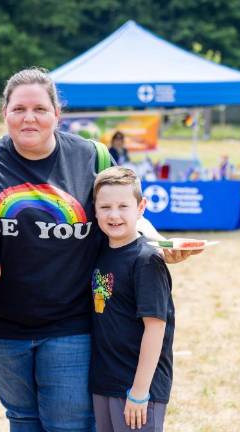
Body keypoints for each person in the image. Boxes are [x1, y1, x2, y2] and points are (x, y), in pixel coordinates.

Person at [0, 67, 195, 431]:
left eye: (40, 109)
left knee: (69, 423)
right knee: (22, 419)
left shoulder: (91, 158)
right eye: (19, 108)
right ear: (4, 112)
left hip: (71, 325)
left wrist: (158, 243)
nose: (29, 118)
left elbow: (124, 207)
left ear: (58, 113)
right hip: (0, 328)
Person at [90, 167, 174, 432]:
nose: (113, 215)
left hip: (138, 388)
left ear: (141, 208)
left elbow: (155, 327)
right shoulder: (102, 250)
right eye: (105, 207)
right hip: (105, 382)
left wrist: (139, 391)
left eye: (123, 206)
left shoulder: (147, 260)